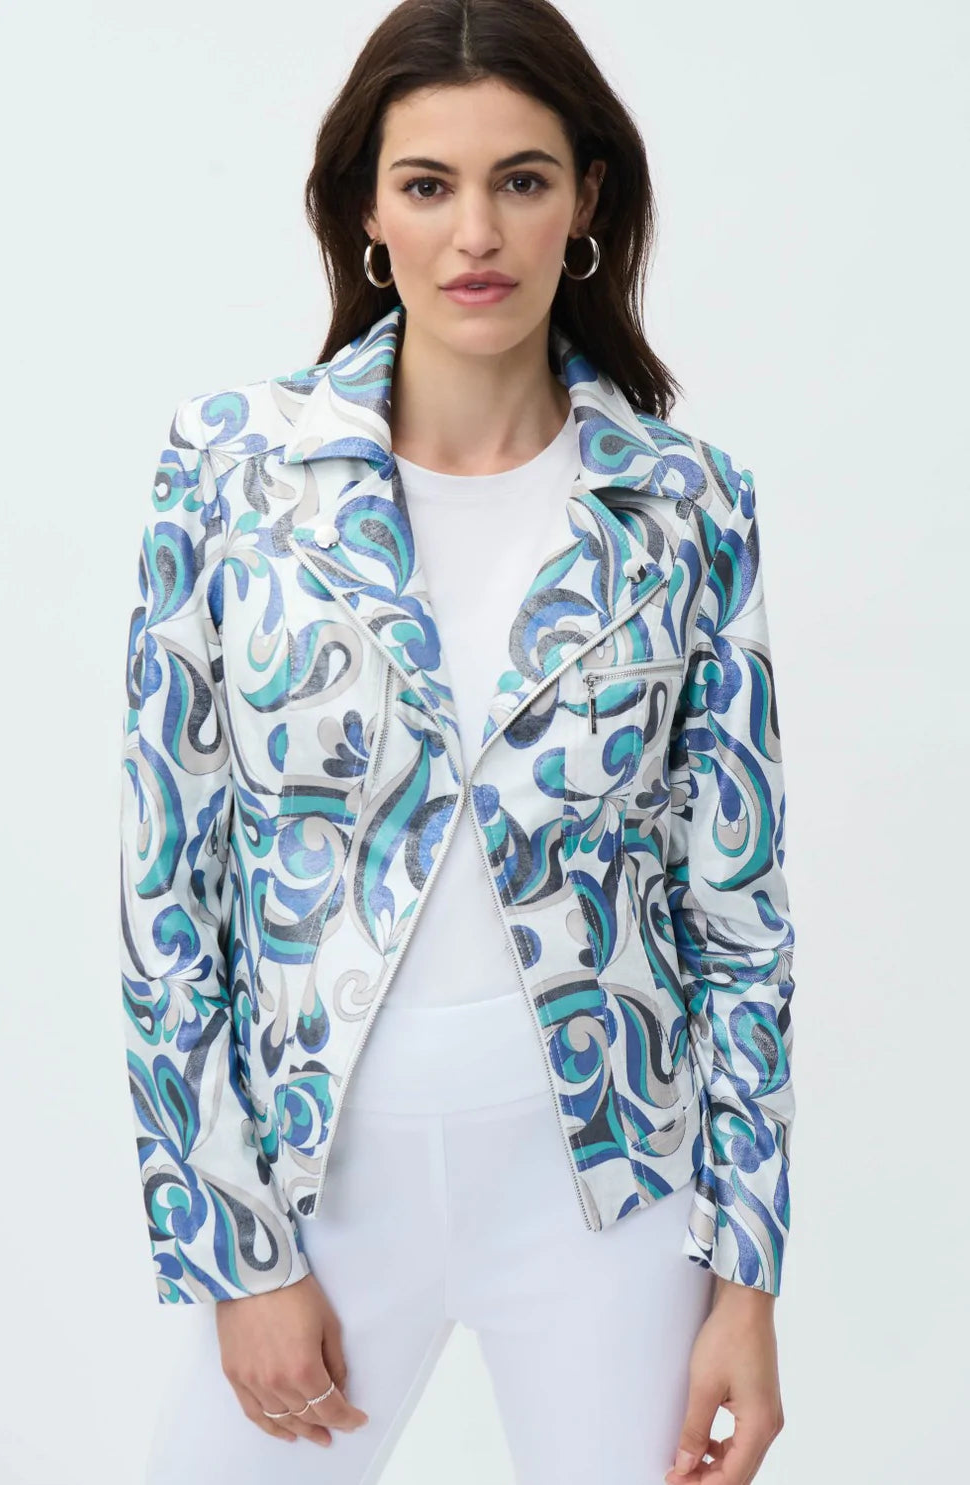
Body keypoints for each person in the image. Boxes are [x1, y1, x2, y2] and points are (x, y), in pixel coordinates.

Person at [117, 2, 796, 1482]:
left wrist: (747, 1281)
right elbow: (170, 893)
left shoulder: (685, 504)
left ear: (586, 201)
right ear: (365, 209)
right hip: (321, 1183)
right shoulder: (232, 471)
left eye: (521, 180)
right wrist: (233, 1252)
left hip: (610, 1190)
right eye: (427, 183)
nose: (475, 233)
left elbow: (737, 918)